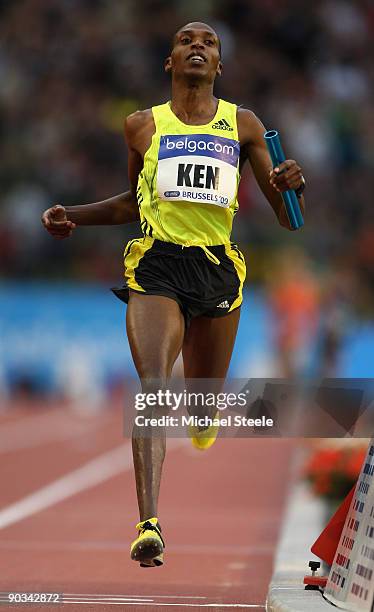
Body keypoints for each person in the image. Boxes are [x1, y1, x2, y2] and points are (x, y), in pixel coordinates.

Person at [42, 21, 306, 568]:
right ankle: (149, 524)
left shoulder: (245, 125)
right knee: (155, 386)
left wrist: (292, 187)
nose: (197, 47)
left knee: (202, 406)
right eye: (186, 40)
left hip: (215, 270)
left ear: (219, 67)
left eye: (209, 43)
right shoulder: (142, 126)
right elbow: (133, 204)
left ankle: (204, 415)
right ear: (169, 61)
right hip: (158, 266)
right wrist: (77, 216)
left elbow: (288, 221)